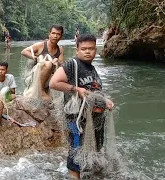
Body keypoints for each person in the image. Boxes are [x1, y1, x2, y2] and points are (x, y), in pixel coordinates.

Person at [49, 34, 114, 179]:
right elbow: (54, 83)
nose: (87, 51)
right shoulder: (72, 64)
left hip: (94, 119)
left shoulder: (92, 69)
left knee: (93, 149)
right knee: (76, 149)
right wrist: (76, 90)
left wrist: (105, 100)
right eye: (83, 48)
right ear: (77, 50)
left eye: (91, 48)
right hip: (76, 119)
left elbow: (94, 91)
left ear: (95, 50)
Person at [21, 24, 64, 101]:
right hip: (35, 77)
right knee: (47, 64)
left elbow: (62, 65)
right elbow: (24, 51)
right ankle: (41, 91)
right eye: (53, 33)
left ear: (61, 36)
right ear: (49, 34)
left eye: (58, 34)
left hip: (49, 77)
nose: (55, 36)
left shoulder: (60, 49)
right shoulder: (40, 45)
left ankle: (47, 90)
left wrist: (57, 62)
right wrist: (35, 57)